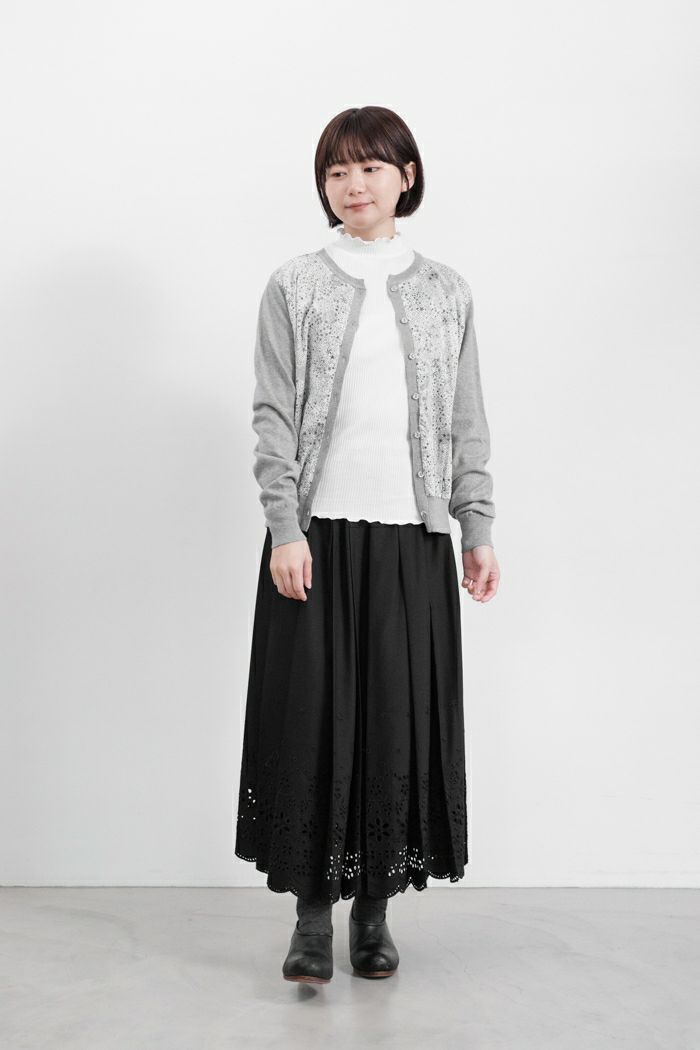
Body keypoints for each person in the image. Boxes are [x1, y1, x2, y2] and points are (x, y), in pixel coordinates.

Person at [235, 105, 500, 984]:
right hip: (315, 538)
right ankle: (312, 917)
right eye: (338, 171)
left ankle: (375, 914)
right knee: (311, 721)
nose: (353, 185)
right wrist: (284, 528)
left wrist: (476, 526)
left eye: (371, 168)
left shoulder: (446, 290)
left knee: (394, 722)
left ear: (406, 176)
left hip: (412, 539)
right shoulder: (295, 284)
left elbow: (465, 420)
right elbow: (272, 414)